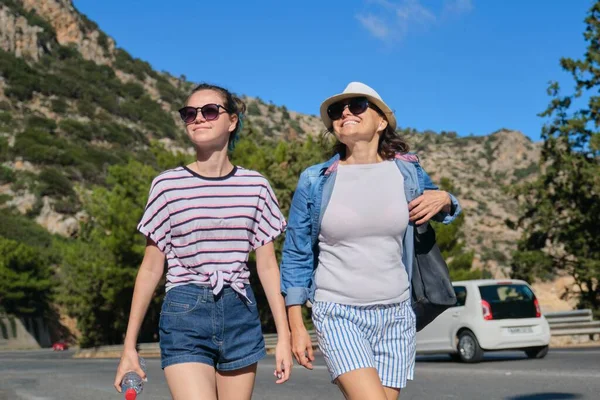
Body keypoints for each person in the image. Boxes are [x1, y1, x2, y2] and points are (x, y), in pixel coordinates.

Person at [281, 82, 461, 400]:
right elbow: (296, 254)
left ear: (381, 121)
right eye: (338, 110)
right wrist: (296, 326)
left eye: (358, 105)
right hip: (338, 312)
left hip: (397, 315)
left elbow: (445, 207)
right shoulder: (314, 181)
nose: (346, 112)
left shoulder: (407, 172)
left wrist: (444, 198)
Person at [114, 83, 292, 400]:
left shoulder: (256, 186)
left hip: (240, 311)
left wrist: (284, 336)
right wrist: (130, 346)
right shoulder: (167, 185)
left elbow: (266, 267)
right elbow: (151, 268)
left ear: (232, 121)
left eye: (210, 111)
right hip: (185, 311)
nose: (198, 118)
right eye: (189, 113)